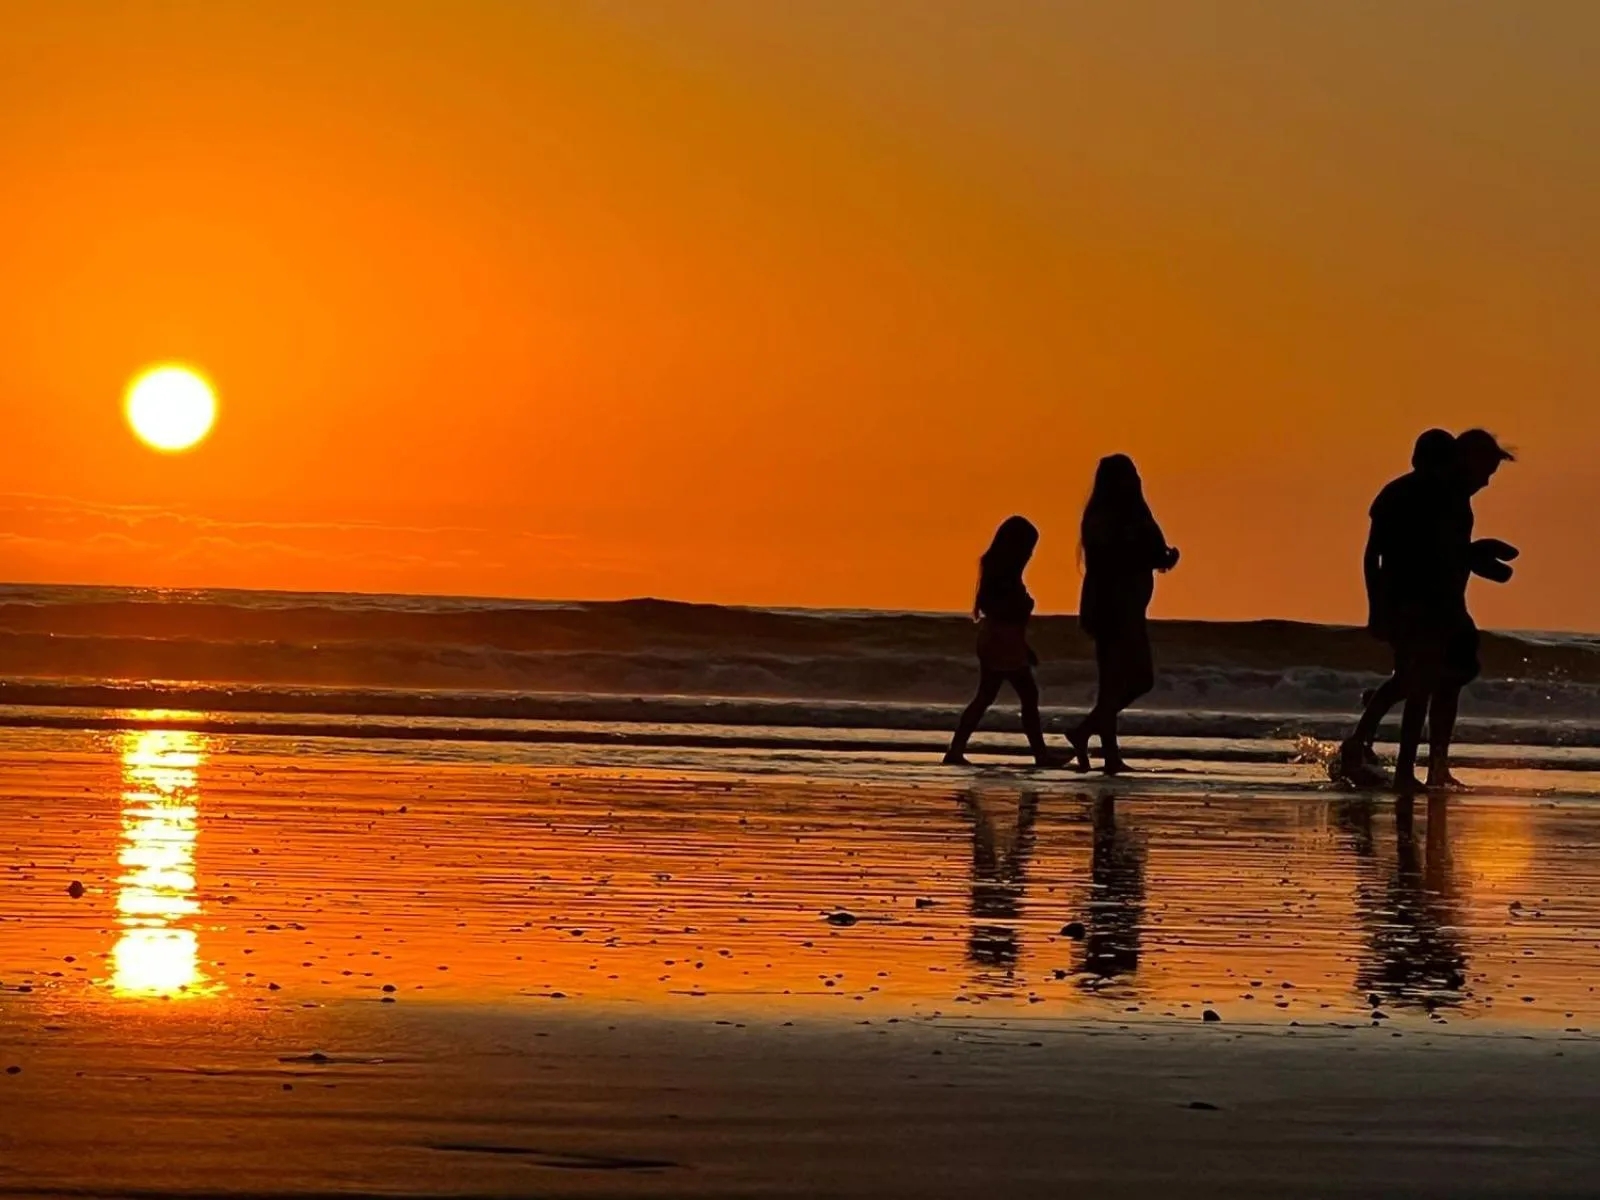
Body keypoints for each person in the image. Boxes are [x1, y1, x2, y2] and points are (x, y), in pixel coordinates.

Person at [1388, 428, 1516, 792]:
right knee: (1421, 683)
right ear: (1465, 462)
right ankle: (1401, 766)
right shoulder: (1438, 499)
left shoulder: (1458, 501)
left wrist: (1480, 557)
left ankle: (1437, 765)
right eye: (1486, 473)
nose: (1487, 482)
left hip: (1449, 605)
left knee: (1451, 679)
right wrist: (1479, 555)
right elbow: (1434, 553)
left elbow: (1454, 553)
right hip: (1425, 605)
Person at [1333, 429, 1458, 787]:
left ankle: (1362, 740)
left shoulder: (1445, 499)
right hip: (1403, 601)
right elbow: (1373, 556)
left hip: (1430, 603)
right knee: (1414, 682)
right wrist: (1376, 605)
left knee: (1410, 680)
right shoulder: (1396, 495)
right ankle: (1392, 761)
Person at [1064, 455, 1179, 774]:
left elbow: (1152, 550)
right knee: (1128, 679)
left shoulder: (1137, 514)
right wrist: (1144, 553)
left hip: (1131, 606)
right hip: (1110, 607)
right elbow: (1112, 558)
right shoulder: (1102, 518)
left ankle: (1097, 742)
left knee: (1125, 682)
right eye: (1127, 476)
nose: (1134, 481)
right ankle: (1094, 740)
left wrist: (1165, 558)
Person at [944, 516, 1060, 767]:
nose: (1030, 555)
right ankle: (1040, 755)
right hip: (1001, 642)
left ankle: (956, 750)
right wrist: (1022, 607)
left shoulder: (1004, 572)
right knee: (1026, 694)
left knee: (987, 696)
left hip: (1001, 640)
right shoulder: (1002, 574)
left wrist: (1024, 645)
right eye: (1028, 549)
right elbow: (997, 609)